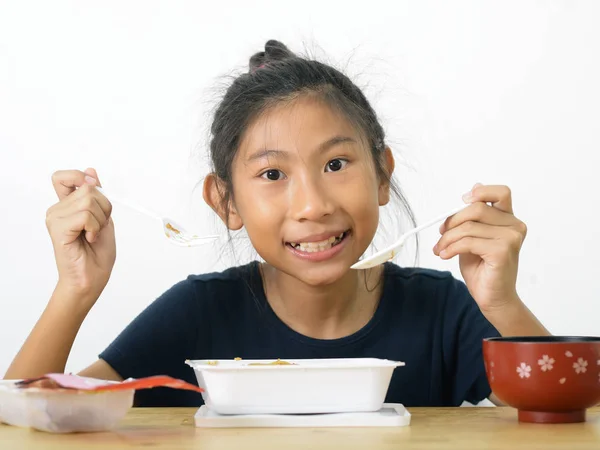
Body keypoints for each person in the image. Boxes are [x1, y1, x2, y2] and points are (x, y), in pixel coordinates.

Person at [5, 40, 549, 407]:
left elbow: (569, 418)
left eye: (336, 164)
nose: (312, 205)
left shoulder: (443, 311)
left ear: (383, 175)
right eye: (272, 173)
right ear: (225, 202)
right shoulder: (199, 314)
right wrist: (75, 289)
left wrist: (501, 302)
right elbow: (26, 416)